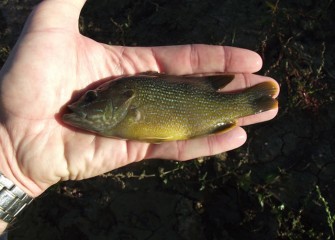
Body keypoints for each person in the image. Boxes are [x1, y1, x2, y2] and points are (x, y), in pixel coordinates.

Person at [0, 0, 278, 235]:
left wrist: (13, 166)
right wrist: (13, 162)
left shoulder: (128, 103)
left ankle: (251, 101)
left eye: (91, 98)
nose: (81, 104)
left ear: (124, 101)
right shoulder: (118, 107)